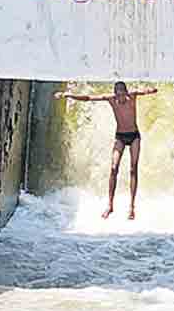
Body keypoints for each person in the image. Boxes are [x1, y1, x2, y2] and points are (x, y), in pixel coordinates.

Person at [55, 82, 158, 220]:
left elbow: (145, 90)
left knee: (133, 168)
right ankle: (110, 205)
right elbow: (88, 98)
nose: (120, 97)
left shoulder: (132, 96)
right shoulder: (111, 99)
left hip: (134, 136)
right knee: (114, 168)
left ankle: (132, 207)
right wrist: (68, 95)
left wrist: (151, 90)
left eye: (122, 94)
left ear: (126, 92)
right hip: (120, 137)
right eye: (117, 94)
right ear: (115, 94)